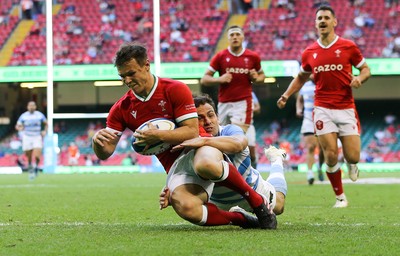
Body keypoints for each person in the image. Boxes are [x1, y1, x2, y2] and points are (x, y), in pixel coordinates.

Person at [91, 43, 276, 229]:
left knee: (206, 165)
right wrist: (98, 143)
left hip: (199, 147)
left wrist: (158, 135)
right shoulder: (120, 109)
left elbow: (191, 131)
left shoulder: (174, 89)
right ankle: (239, 218)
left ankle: (256, 201)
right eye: (123, 76)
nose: (127, 80)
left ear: (146, 65)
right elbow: (105, 152)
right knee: (187, 208)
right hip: (174, 165)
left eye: (132, 73)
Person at [277, 5, 371, 208]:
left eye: (327, 17)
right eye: (319, 18)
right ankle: (340, 197)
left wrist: (359, 79)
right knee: (329, 155)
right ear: (315, 23)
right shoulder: (309, 52)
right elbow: (300, 78)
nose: (322, 21)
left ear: (334, 22)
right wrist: (285, 95)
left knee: (352, 155)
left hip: (346, 108)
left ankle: (352, 164)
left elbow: (365, 69)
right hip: (322, 108)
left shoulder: (348, 47)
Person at [160, 94, 288, 221]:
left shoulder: (229, 130)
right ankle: (241, 218)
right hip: (216, 201)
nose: (208, 121)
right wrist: (174, 194)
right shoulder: (187, 142)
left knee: (279, 206)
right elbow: (183, 173)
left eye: (211, 115)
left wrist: (204, 141)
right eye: (200, 118)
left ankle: (276, 159)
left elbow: (239, 143)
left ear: (218, 117)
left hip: (253, 189)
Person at [200, 25, 266, 133]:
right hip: (223, 102)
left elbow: (262, 76)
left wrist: (256, 78)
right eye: (232, 35)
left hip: (243, 102)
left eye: (238, 34)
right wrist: (219, 79)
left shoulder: (252, 56)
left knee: (238, 132)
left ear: (243, 37)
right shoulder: (220, 56)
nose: (235, 37)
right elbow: (204, 79)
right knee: (220, 133)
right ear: (228, 38)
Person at [296, 75, 325, 184]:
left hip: (323, 120)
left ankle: (319, 166)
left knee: (322, 149)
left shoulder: (324, 84)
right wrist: (299, 109)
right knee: (311, 147)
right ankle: (310, 173)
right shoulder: (305, 86)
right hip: (308, 119)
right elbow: (299, 100)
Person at [15, 101, 47, 180]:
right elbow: (17, 126)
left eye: (33, 106)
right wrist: (20, 128)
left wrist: (45, 131)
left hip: (37, 136)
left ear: (35, 107)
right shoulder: (23, 116)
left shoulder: (39, 115)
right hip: (27, 137)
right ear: (27, 107)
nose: (31, 107)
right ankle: (30, 165)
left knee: (37, 155)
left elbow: (46, 123)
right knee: (28, 154)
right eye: (30, 106)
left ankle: (36, 166)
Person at [246, 91, 261, 168]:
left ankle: (254, 168)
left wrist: (249, 110)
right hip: (234, 124)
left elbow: (258, 108)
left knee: (251, 149)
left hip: (248, 125)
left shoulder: (251, 93)